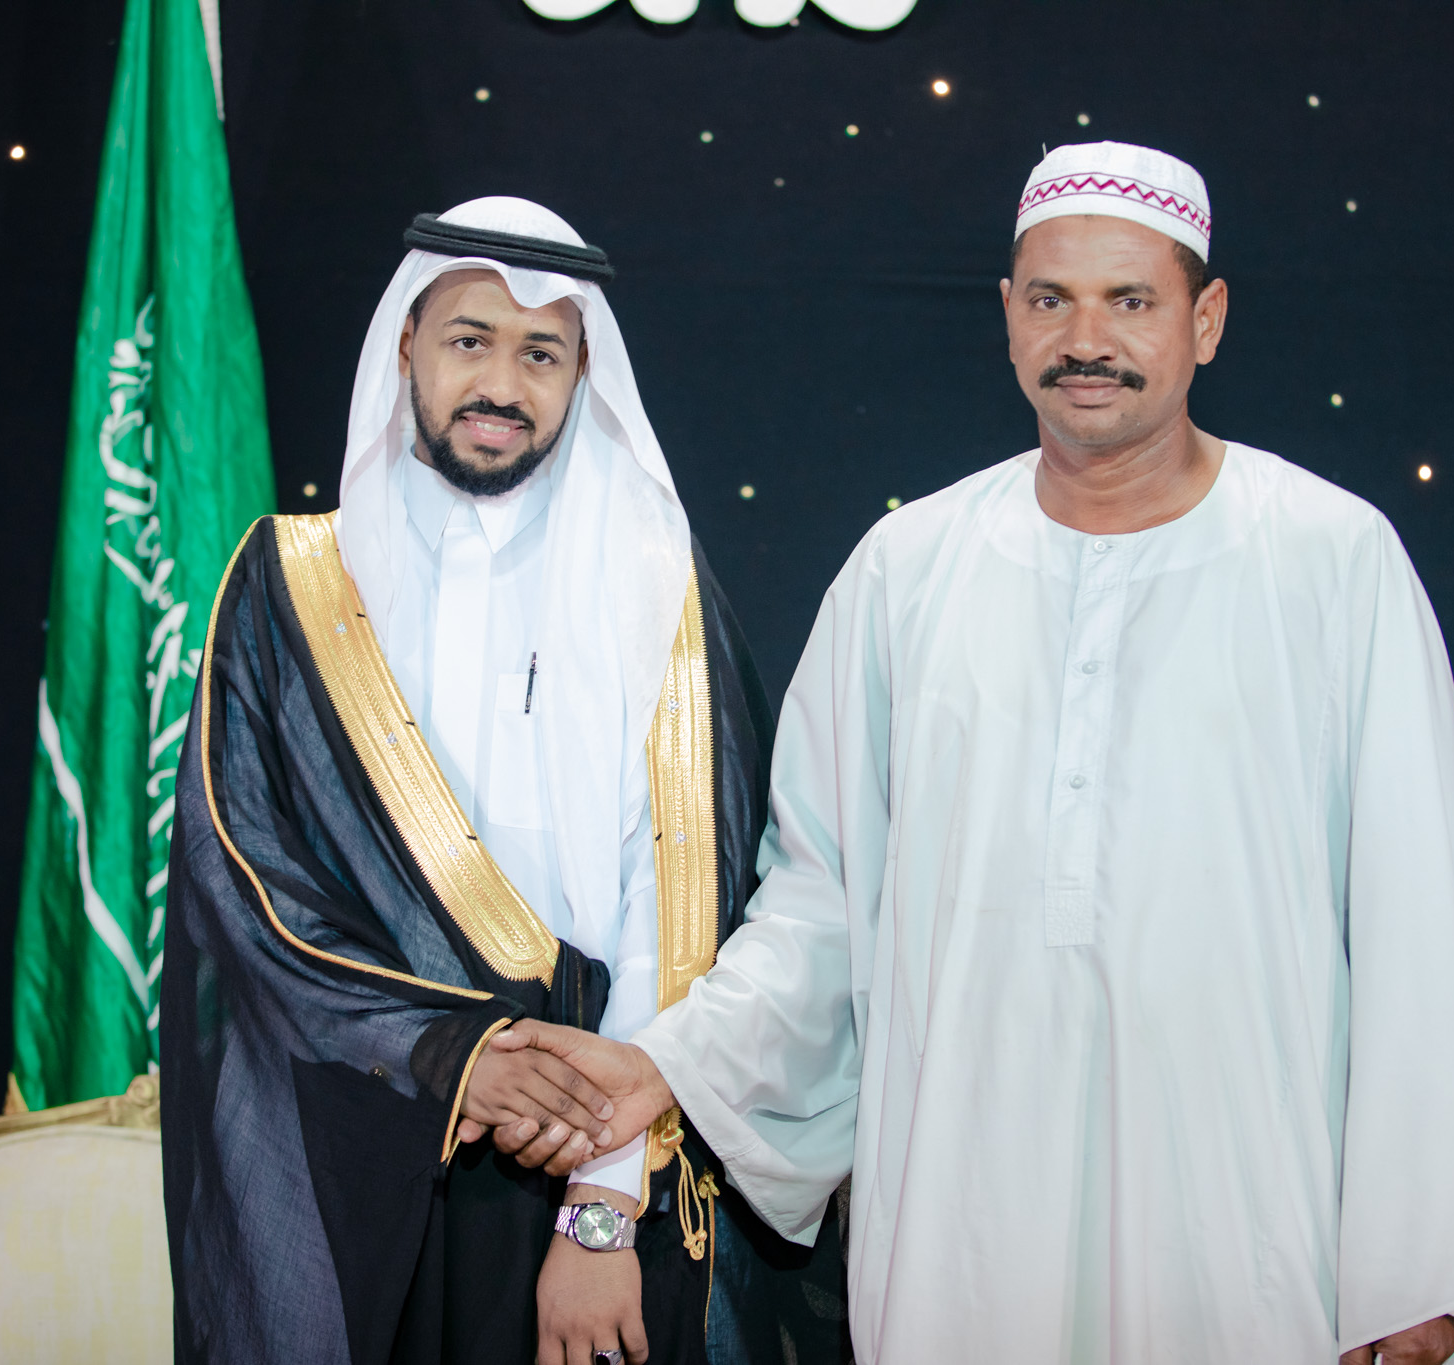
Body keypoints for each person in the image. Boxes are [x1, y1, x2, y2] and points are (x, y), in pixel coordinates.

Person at [486, 144, 1454, 1362]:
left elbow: (1419, 931)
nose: (1085, 340)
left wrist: (1410, 1266)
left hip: (1246, 1217)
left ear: (1204, 320)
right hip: (961, 1216)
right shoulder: (905, 572)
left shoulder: (1332, 561)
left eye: (1128, 301)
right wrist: (664, 1068)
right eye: (1050, 300)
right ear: (1007, 315)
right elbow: (819, 910)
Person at [160, 196, 845, 1365]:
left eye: (540, 353)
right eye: (469, 340)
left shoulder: (656, 584)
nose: (500, 384)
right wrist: (449, 1056)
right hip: (378, 1143)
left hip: (613, 1156)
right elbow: (245, 878)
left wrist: (601, 1197)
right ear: (406, 348)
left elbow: (688, 902)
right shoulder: (292, 581)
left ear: (581, 375)